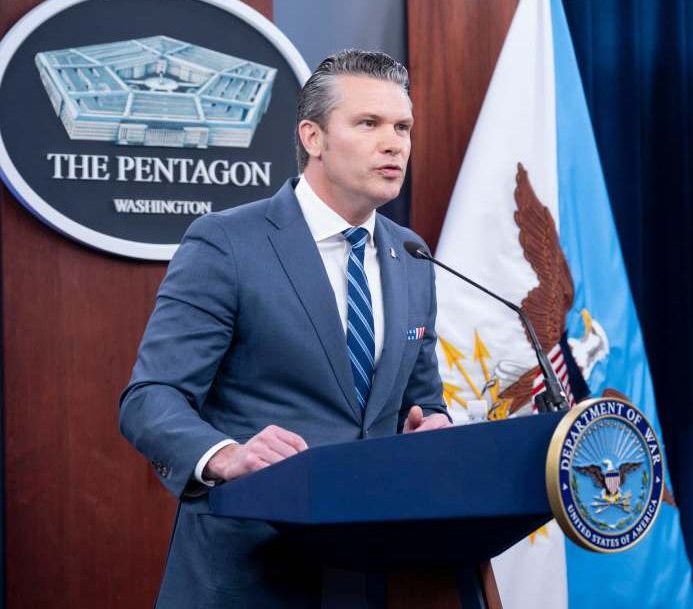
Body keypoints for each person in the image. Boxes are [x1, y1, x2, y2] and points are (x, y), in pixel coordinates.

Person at [119, 49, 450, 607]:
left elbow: (422, 402)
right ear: (313, 137)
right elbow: (151, 398)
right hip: (250, 571)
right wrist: (225, 455)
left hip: (376, 571)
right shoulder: (227, 242)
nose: (394, 143)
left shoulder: (411, 255)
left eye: (402, 126)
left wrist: (434, 426)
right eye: (368, 123)